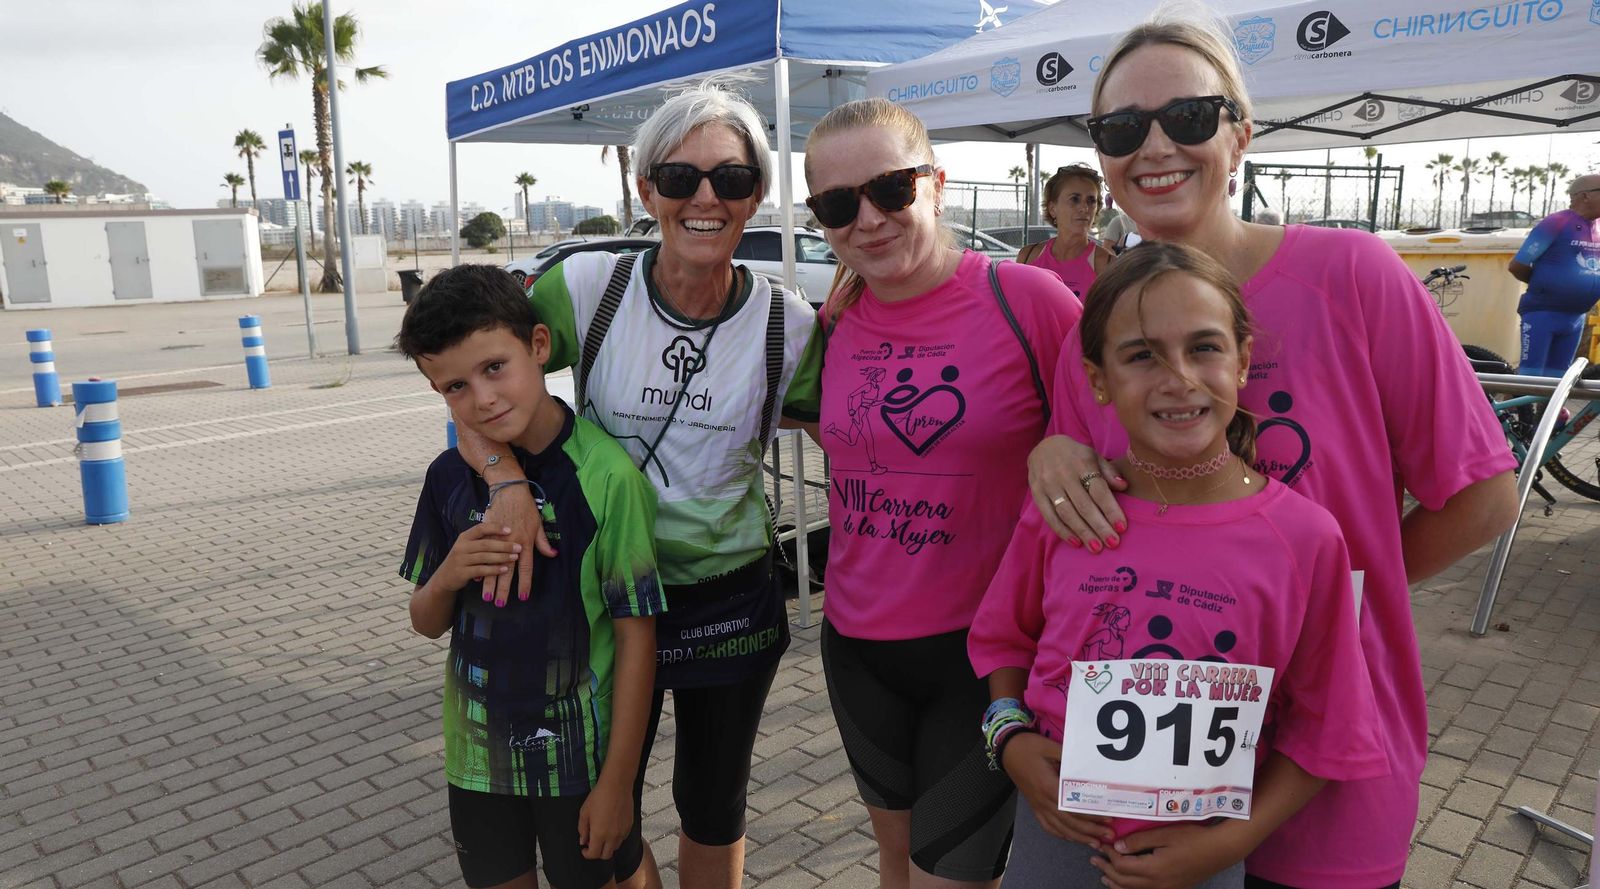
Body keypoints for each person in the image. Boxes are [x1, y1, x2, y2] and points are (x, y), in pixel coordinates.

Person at [1025, 14, 1519, 889]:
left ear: (1240, 134)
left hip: (1327, 771)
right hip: (1150, 784)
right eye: (1121, 127)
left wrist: (1313, 603)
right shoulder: (1093, 334)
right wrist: (1050, 455)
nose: (1153, 146)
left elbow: (1483, 497)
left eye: (1187, 116)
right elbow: (1089, 509)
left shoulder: (1354, 275)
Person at [462, 80, 822, 889]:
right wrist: (504, 479)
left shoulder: (789, 325)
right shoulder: (586, 288)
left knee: (713, 803)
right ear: (646, 188)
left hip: (728, 599)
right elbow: (474, 382)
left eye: (731, 178)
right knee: (597, 804)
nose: (706, 197)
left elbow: (854, 431)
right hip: (601, 593)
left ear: (756, 195)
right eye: (680, 176)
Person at [971, 242, 1387, 889]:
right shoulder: (1069, 511)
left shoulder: (1304, 538)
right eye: (1142, 355)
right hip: (1055, 839)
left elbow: (1328, 724)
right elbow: (1004, 638)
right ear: (1098, 379)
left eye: (1204, 348)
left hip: (1205, 854)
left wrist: (1233, 841)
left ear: (1242, 360)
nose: (1177, 378)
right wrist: (1009, 739)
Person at [803, 97, 1084, 889]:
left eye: (891, 188)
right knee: (895, 863)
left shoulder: (1029, 300)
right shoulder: (835, 320)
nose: (867, 219)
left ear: (937, 183)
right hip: (855, 647)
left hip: (983, 658)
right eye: (838, 204)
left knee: (947, 879)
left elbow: (1118, 436)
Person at [395, 264, 663, 889]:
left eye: (495, 368)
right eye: (456, 386)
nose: (483, 399)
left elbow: (637, 640)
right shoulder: (448, 477)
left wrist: (618, 783)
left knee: (613, 869)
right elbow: (426, 621)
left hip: (576, 759)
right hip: (477, 758)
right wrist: (449, 574)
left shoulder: (607, 477)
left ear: (539, 346)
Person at [1509, 173, 1600, 377]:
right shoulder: (1557, 222)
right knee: (1530, 378)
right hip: (1543, 313)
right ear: (1585, 196)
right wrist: (1546, 285)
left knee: (1558, 380)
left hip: (1576, 316)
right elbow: (1517, 265)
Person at [1016, 164, 1115, 296]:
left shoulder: (1107, 265)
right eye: (1075, 199)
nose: (1084, 208)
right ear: (1052, 209)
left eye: (1091, 201)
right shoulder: (1028, 257)